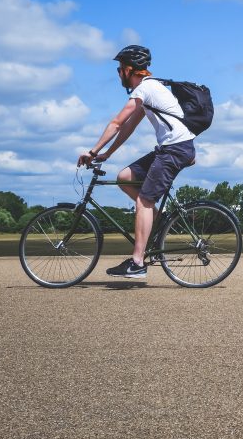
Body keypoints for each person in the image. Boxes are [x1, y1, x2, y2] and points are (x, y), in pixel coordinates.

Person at [77, 45, 196, 278]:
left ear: (130, 70)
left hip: (175, 149)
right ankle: (155, 219)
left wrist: (92, 152)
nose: (119, 74)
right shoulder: (150, 90)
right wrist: (107, 154)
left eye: (120, 69)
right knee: (125, 178)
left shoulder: (146, 88)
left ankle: (138, 262)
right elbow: (129, 126)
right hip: (170, 148)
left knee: (144, 201)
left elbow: (117, 122)